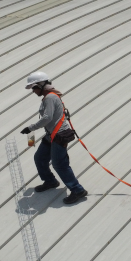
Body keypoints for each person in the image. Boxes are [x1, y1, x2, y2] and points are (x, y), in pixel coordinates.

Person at [20, 71, 88, 204]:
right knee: (40, 158)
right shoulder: (49, 96)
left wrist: (31, 128)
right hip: (51, 135)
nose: (33, 91)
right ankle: (50, 181)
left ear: (41, 85)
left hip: (58, 136)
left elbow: (47, 118)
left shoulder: (50, 98)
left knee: (59, 165)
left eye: (34, 87)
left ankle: (78, 190)